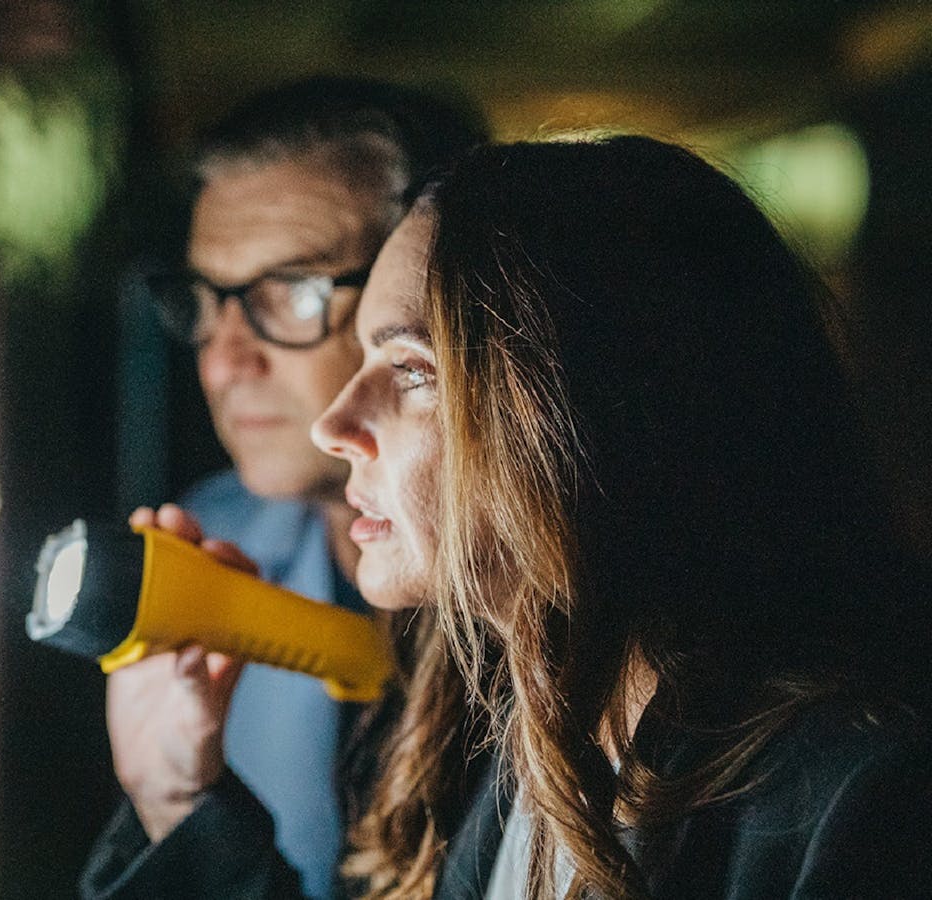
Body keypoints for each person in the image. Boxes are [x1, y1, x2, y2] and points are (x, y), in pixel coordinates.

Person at [86, 134, 932, 898]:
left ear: (593, 410)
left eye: (412, 370)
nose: (335, 425)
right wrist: (179, 797)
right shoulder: (532, 738)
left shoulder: (866, 802)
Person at [108, 77, 486, 898]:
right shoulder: (208, 552)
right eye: (208, 301)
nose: (223, 360)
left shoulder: (575, 609)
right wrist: (181, 810)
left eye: (295, 292)